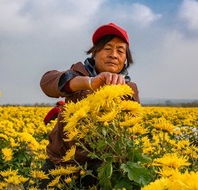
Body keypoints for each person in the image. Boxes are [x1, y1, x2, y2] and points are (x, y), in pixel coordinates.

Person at [38, 22, 140, 188]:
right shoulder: (79, 74)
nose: (113, 55)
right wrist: (89, 83)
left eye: (120, 51)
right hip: (62, 165)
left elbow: (131, 127)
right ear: (95, 52)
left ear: (126, 59)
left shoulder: (129, 89)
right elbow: (47, 81)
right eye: (107, 48)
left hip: (102, 168)